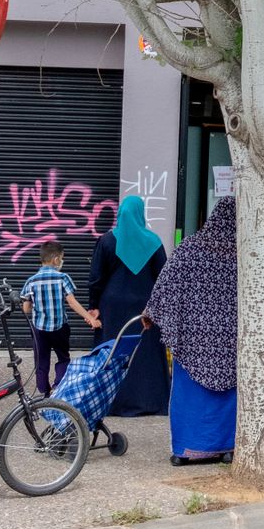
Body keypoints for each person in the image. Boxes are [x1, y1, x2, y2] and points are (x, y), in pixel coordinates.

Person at [145, 196, 238, 464]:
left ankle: (185, 449)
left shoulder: (190, 247)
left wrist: (152, 312)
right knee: (228, 396)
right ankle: (226, 447)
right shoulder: (243, 255)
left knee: (190, 395)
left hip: (192, 339)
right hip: (228, 340)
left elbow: (166, 282)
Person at [87, 194, 170, 416]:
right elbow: (163, 278)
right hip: (144, 308)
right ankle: (148, 402)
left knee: (112, 352)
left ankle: (110, 401)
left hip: (112, 307)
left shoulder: (106, 240)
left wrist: (93, 306)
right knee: (144, 353)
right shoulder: (153, 242)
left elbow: (96, 277)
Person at [20, 241, 100, 394]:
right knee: (63, 357)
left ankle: (44, 391)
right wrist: (90, 318)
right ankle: (59, 387)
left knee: (41, 361)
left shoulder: (31, 281)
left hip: (39, 329)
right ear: (56, 260)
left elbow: (26, 309)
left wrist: (32, 304)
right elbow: (72, 302)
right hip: (60, 328)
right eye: (61, 258)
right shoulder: (63, 277)